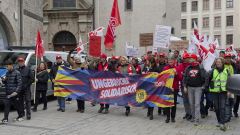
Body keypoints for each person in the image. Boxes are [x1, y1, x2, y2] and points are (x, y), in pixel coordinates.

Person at [207, 58, 229, 131]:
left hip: (223, 92)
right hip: (214, 92)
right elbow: (208, 80)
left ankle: (222, 123)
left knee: (222, 107)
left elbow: (229, 81)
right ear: (215, 63)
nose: (218, 63)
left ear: (222, 63)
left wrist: (229, 91)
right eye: (217, 62)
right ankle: (219, 121)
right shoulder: (212, 71)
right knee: (217, 108)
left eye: (219, 62)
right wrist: (210, 83)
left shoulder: (226, 71)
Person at [183, 54, 206, 126]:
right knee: (191, 103)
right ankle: (193, 117)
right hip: (190, 88)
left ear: (195, 59)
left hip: (198, 88)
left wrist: (203, 85)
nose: (190, 60)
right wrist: (185, 86)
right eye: (189, 58)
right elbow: (185, 77)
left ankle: (197, 119)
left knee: (197, 104)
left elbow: (204, 77)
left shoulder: (200, 66)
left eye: (191, 58)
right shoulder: (188, 67)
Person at [163, 56, 180, 123]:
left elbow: (180, 78)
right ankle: (168, 117)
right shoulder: (165, 68)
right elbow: (163, 78)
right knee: (167, 103)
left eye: (172, 61)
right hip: (168, 88)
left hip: (175, 88)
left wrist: (176, 74)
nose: (170, 62)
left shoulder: (176, 68)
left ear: (174, 61)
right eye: (169, 61)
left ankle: (173, 117)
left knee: (174, 103)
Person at [178, 52, 192, 120]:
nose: (187, 59)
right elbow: (179, 76)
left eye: (188, 58)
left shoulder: (191, 65)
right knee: (185, 100)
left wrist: (184, 75)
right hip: (184, 85)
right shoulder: (180, 66)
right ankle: (187, 112)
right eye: (186, 58)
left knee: (190, 100)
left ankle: (191, 113)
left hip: (190, 86)